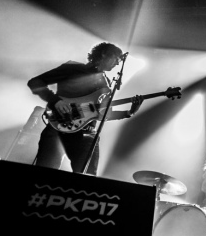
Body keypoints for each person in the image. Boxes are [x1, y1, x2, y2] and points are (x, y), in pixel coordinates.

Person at [27, 42, 143, 175]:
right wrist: (56, 101)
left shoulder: (106, 83)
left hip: (86, 135)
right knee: (43, 176)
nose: (117, 64)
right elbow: (35, 82)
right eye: (116, 59)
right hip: (57, 128)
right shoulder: (73, 68)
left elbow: (103, 114)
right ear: (104, 54)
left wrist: (129, 112)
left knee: (86, 180)